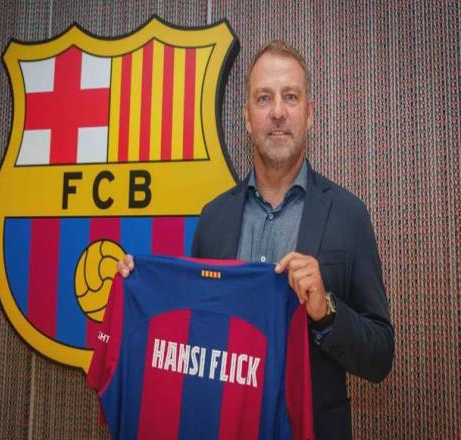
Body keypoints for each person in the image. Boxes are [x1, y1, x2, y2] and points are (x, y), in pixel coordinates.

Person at [118, 40, 394, 439]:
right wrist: (140, 291)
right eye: (264, 98)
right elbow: (192, 337)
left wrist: (326, 312)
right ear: (248, 118)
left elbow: (381, 355)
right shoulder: (213, 218)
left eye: (290, 97)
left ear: (309, 114)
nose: (278, 112)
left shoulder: (348, 215)